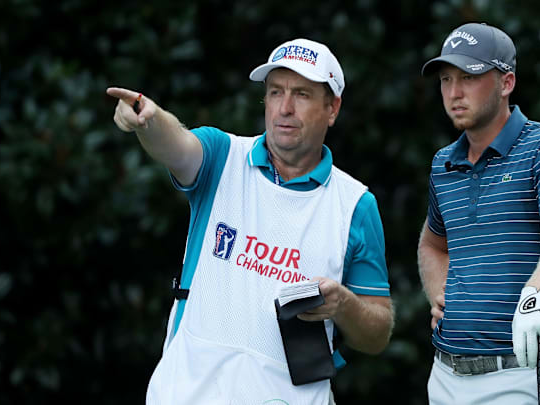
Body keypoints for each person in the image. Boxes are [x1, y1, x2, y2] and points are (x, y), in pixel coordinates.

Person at [107, 38, 393, 405]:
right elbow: (175, 145)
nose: (284, 108)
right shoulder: (222, 155)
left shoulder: (355, 204)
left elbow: (378, 333)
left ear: (332, 108)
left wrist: (344, 306)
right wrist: (148, 120)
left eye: (302, 95)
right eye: (275, 92)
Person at [417, 22, 540, 404]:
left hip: (521, 376)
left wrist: (536, 295)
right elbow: (432, 244)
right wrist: (440, 295)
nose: (454, 92)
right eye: (446, 80)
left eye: (468, 77)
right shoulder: (443, 164)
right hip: (444, 376)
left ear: (506, 83)